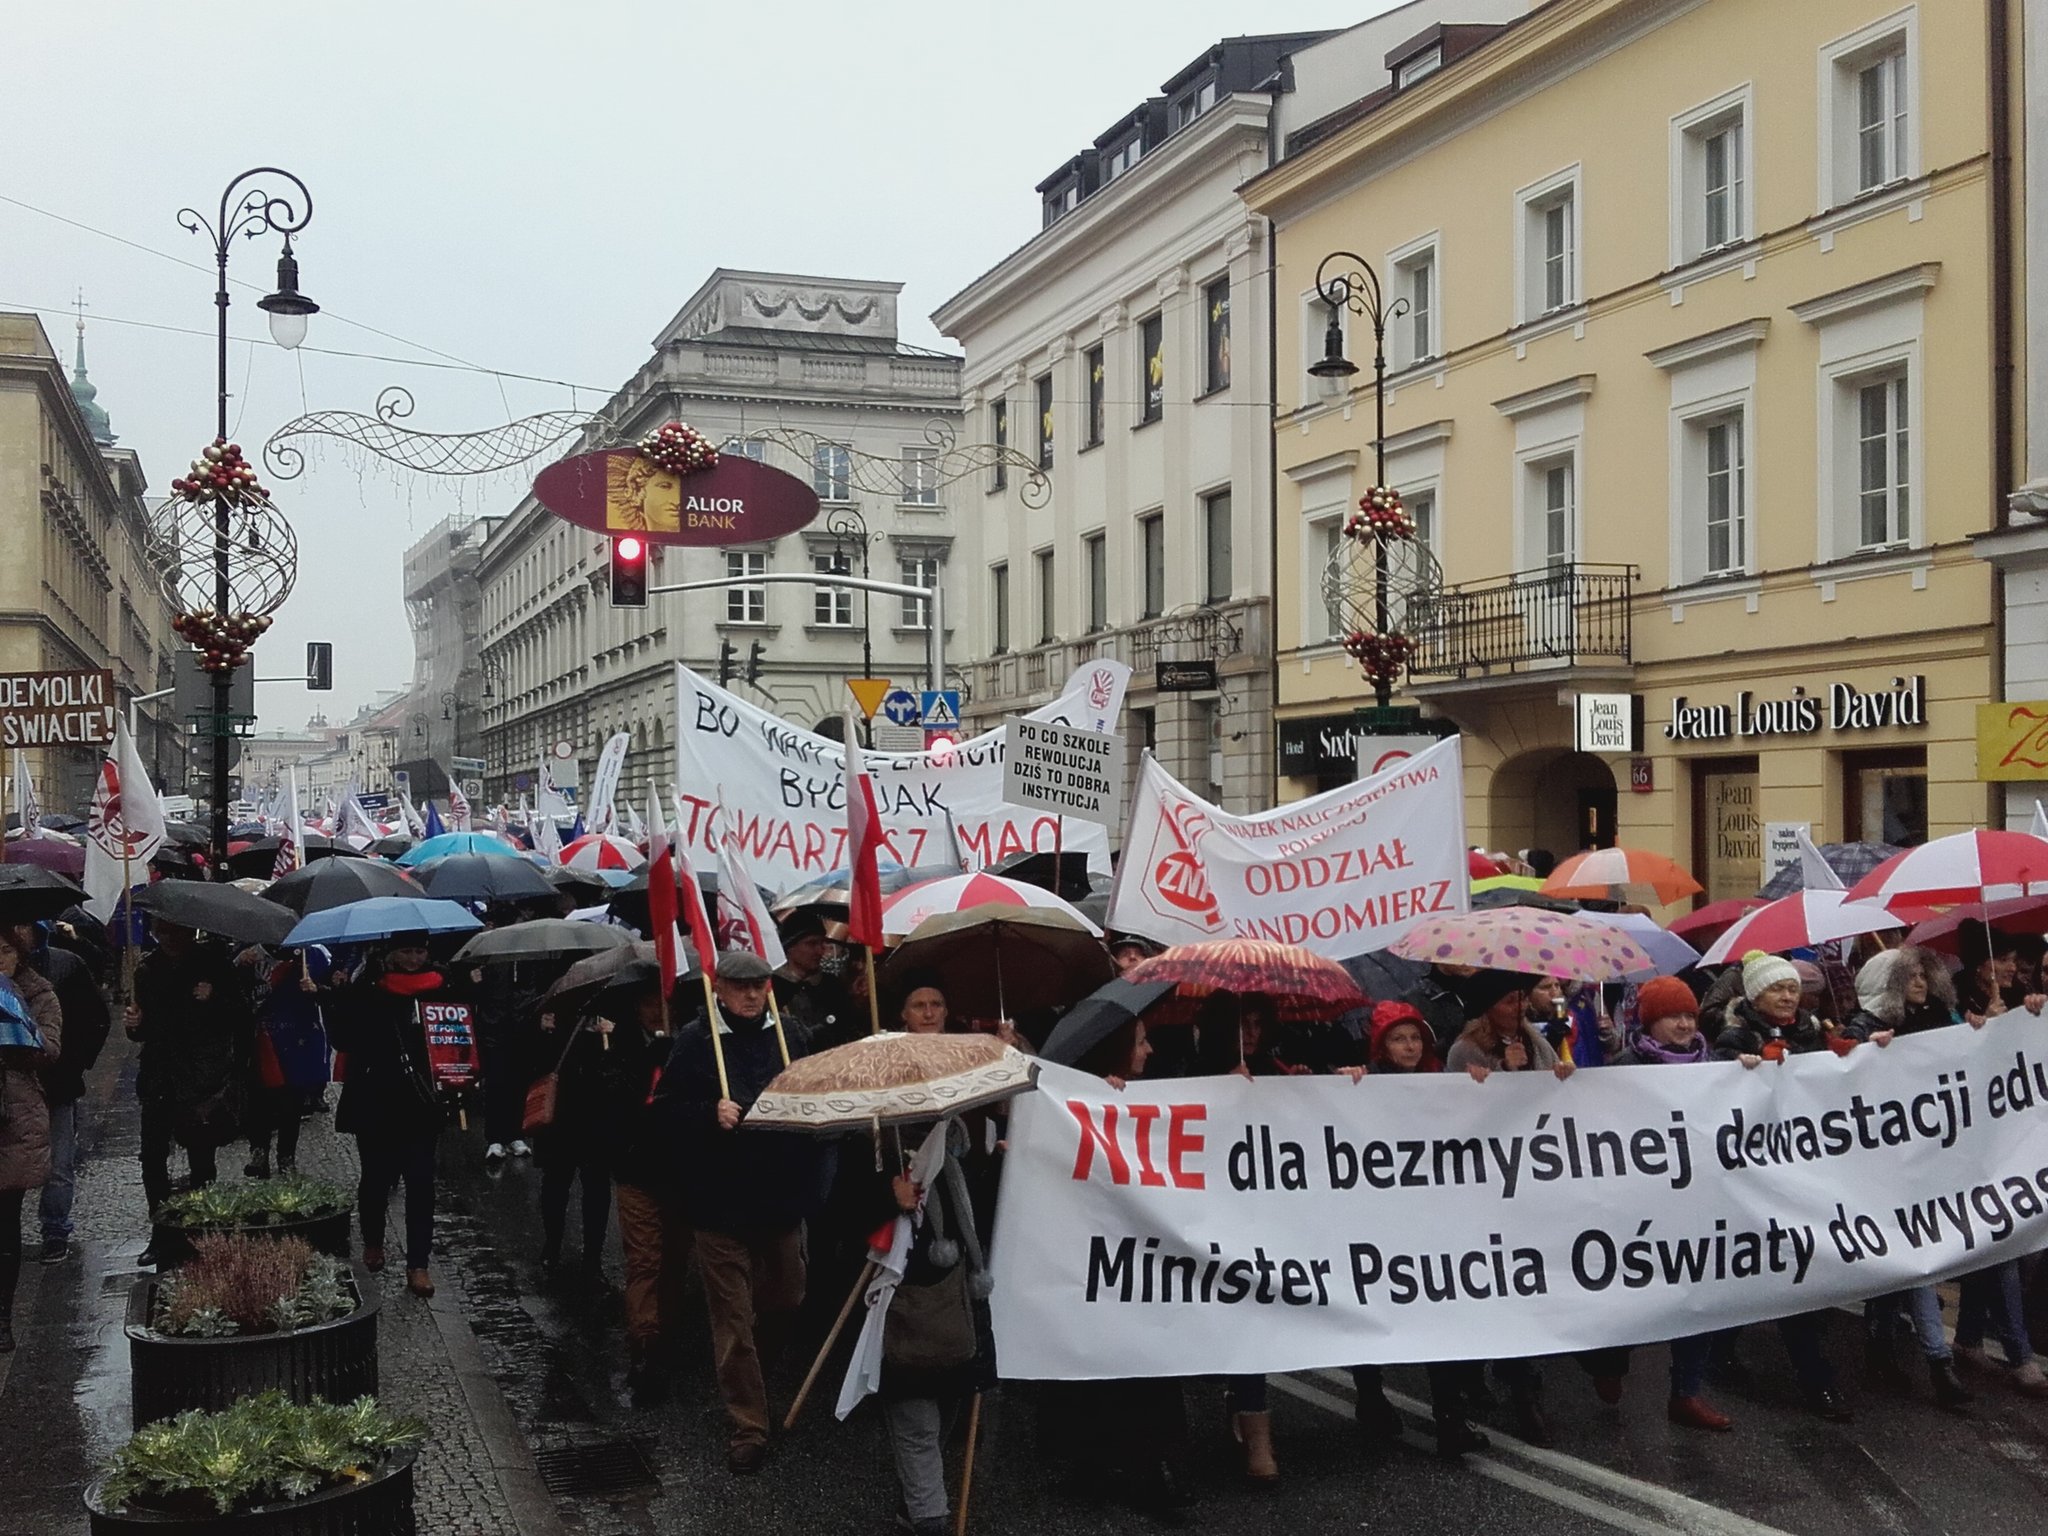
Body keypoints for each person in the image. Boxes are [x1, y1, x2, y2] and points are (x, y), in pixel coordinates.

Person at [651, 950, 820, 1474]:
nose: (751, 994)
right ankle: (748, 1423)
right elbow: (664, 1114)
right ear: (718, 987)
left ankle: (751, 1379)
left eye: (759, 985)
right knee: (732, 1320)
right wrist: (708, 1113)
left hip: (778, 1198)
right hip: (718, 1204)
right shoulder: (696, 1043)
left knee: (788, 1297)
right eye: (740, 986)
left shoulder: (793, 1036)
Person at [1589, 976, 1736, 1430]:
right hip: (1642, 1205)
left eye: (1690, 1015)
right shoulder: (1623, 1068)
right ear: (1650, 1022)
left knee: (1698, 1296)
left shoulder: (1712, 1064)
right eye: (1673, 1016)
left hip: (1697, 1199)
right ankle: (1610, 1362)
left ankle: (1686, 1392)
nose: (1684, 1024)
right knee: (1638, 1297)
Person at [1714, 950, 1854, 1420]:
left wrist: (1861, 1051)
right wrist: (1742, 1066)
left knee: (1795, 1275)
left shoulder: (1815, 1032)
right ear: (1756, 994)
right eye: (1778, 988)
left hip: (1803, 1171)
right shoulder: (1735, 1035)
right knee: (1770, 1275)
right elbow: (1710, 1087)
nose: (1789, 995)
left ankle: (1736, 1356)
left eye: (1793, 987)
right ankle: (1816, 1381)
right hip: (1754, 1175)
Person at [1844, 950, 1974, 1406]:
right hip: (1884, 1162)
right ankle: (1939, 1362)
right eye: (1910, 975)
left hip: (1930, 1158)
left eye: (1924, 974)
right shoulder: (1863, 1025)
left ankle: (1882, 1345)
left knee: (1907, 1259)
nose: (1919, 982)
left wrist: (1990, 1030)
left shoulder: (1944, 1019)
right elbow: (1838, 1072)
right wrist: (1862, 1052)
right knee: (1911, 1259)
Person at [330, 933, 456, 1298]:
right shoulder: (368, 988)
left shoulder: (441, 988)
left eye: (419, 951)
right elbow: (344, 1039)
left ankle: (418, 1263)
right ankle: (373, 1242)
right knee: (375, 1179)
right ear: (391, 953)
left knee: (420, 1183)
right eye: (406, 951)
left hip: (421, 1101)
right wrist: (339, 998)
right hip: (376, 1098)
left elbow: (457, 1038)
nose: (414, 959)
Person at [128, 919, 251, 1267]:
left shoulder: (214, 965)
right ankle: (163, 1233)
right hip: (159, 1077)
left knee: (200, 1156)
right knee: (152, 1157)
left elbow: (241, 1016)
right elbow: (144, 1030)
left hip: (200, 1078)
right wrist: (134, 1025)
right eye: (162, 932)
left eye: (177, 931)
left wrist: (214, 999)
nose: (170, 938)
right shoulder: (147, 969)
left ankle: (202, 1228)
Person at [598, 982, 683, 1404]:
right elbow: (613, 1105)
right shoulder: (621, 1047)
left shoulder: (691, 1044)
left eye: (663, 1002)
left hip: (680, 1173)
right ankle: (645, 1344)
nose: (657, 1010)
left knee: (674, 1260)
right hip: (638, 1172)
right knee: (646, 1258)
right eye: (650, 1002)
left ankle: (667, 1332)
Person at [18, 921, 109, 1265]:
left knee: (59, 1162)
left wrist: (77, 1063)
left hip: (57, 1082)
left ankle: (55, 1229)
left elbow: (95, 1017)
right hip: (12, 1085)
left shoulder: (65, 965)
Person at [0, 930, 61, 1351]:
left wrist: (15, 1027)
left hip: (14, 1118)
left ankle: (3, 1317)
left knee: (5, 1221)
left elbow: (51, 1049)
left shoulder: (39, 993)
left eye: (3, 951)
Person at [242, 944, 333, 1178]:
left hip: (297, 1038)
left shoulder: (311, 955)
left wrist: (318, 989)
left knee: (291, 1102)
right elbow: (234, 992)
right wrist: (240, 966)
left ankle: (286, 1157)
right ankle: (258, 1151)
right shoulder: (250, 954)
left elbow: (336, 990)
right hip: (262, 1037)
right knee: (259, 1099)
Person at [774, 909, 857, 1048]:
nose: (820, 951)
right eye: (811, 944)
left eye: (822, 943)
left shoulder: (832, 986)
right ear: (790, 946)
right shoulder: (773, 987)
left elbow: (847, 1027)